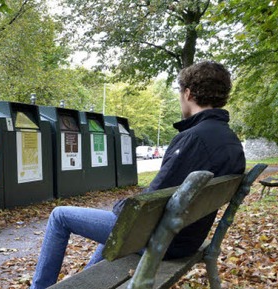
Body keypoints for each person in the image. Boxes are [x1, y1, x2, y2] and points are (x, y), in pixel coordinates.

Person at [30, 61, 246, 289]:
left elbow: (152, 198)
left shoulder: (193, 138)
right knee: (114, 232)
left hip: (165, 241)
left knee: (60, 216)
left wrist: (120, 207)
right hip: (188, 238)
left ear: (188, 93)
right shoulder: (231, 141)